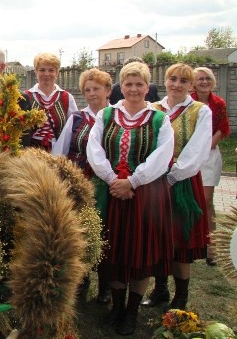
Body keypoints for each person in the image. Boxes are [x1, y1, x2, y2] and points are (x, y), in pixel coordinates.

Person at [86, 61, 174, 336]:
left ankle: (132, 311)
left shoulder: (160, 118)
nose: (134, 89)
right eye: (128, 84)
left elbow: (163, 156)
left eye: (139, 84)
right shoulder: (107, 115)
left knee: (139, 251)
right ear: (119, 87)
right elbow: (95, 149)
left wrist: (133, 181)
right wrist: (113, 180)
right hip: (113, 192)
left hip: (145, 195)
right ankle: (116, 307)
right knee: (115, 251)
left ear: (147, 88)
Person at [141, 63, 211, 311]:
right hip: (155, 181)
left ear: (191, 85)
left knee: (181, 240)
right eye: (173, 79)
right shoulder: (153, 109)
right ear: (165, 81)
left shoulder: (200, 111)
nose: (177, 84)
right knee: (158, 236)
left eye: (183, 80)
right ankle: (160, 289)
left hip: (182, 181)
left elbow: (197, 150)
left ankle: (181, 297)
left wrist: (172, 176)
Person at [52, 68, 112, 304]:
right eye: (87, 89)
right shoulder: (77, 118)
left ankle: (106, 286)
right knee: (79, 234)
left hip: (106, 185)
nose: (91, 94)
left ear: (108, 90)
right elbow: (61, 151)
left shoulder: (116, 117)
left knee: (105, 233)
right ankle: (80, 282)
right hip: (78, 183)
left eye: (97, 88)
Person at [191, 67, 230, 266]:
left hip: (209, 156)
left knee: (207, 201)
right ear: (193, 82)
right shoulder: (188, 102)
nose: (204, 82)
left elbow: (223, 128)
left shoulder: (219, 104)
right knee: (189, 201)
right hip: (188, 156)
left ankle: (211, 248)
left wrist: (206, 146)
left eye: (207, 78)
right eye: (200, 79)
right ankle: (189, 244)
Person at [25, 52, 77, 151]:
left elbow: (73, 128)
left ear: (57, 72)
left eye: (51, 70)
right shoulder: (26, 96)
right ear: (36, 72)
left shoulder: (67, 97)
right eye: (42, 70)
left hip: (59, 152)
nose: (46, 74)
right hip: (30, 154)